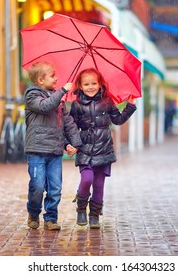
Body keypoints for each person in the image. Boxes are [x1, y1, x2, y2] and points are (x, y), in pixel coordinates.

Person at [67, 68, 136, 229]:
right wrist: (70, 143)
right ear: (80, 86)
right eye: (86, 84)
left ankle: (94, 216)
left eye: (93, 83)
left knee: (99, 185)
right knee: (86, 179)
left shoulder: (107, 101)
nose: (90, 87)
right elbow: (71, 127)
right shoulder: (76, 105)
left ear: (100, 84)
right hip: (85, 148)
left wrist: (130, 107)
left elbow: (118, 120)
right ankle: (81, 208)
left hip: (104, 148)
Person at [24, 61, 82, 230]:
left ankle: (51, 218)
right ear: (41, 80)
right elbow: (45, 106)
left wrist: (74, 143)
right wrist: (63, 91)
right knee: (38, 185)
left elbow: (68, 123)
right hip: (37, 150)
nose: (57, 78)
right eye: (53, 75)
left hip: (55, 150)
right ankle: (33, 213)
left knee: (55, 187)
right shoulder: (32, 95)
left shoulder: (59, 100)